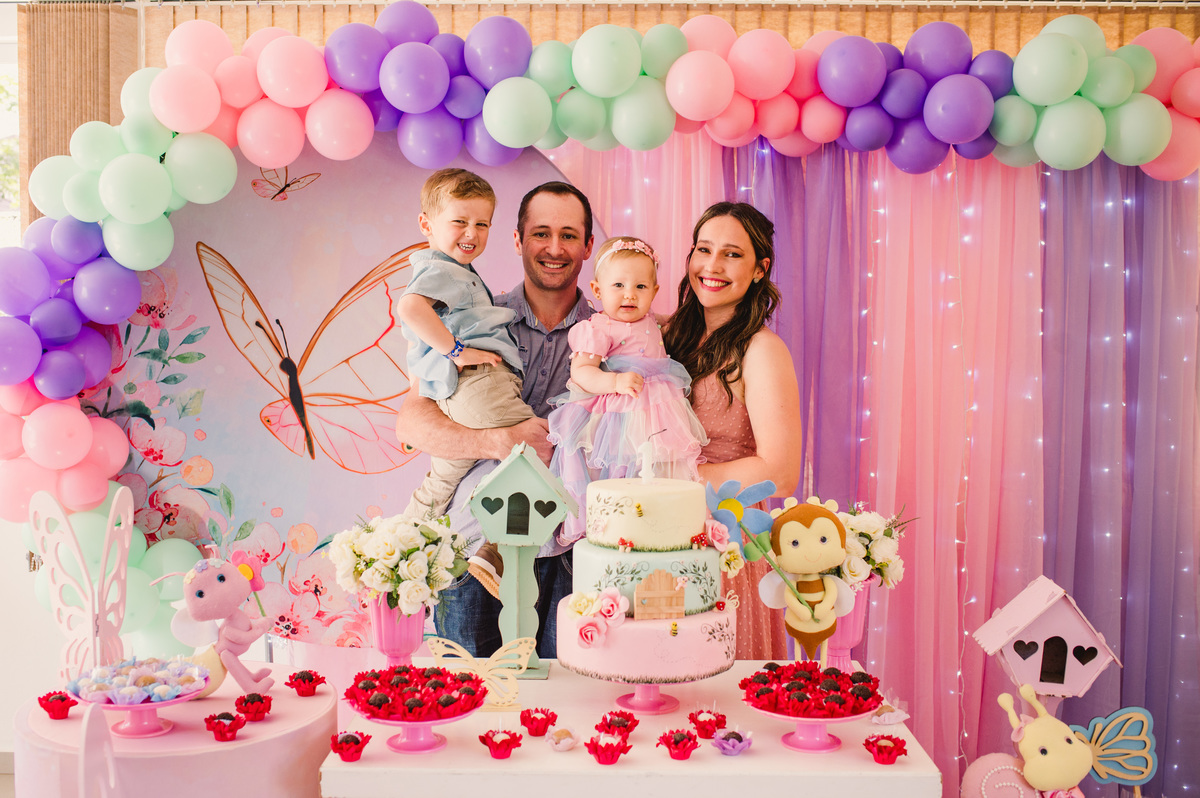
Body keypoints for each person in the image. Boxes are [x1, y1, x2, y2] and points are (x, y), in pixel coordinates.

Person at [394, 181, 595, 658]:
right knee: (471, 702)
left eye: (569, 235)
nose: (554, 247)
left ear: (588, 246)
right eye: (541, 232)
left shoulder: (609, 336)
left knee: (567, 706)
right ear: (518, 239)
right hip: (473, 542)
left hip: (573, 552)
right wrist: (498, 440)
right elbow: (411, 423)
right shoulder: (472, 319)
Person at [663, 201, 802, 660]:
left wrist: (671, 479)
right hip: (658, 532)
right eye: (704, 249)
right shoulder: (667, 338)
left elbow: (779, 471)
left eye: (732, 254)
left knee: (714, 695)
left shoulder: (760, 350)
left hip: (724, 539)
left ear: (760, 269)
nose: (712, 266)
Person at [547, 235, 707, 545]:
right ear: (597, 290)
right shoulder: (598, 327)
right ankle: (617, 524)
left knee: (656, 465)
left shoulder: (652, 321)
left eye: (640, 287)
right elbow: (581, 373)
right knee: (620, 465)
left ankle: (651, 523)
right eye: (618, 286)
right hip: (618, 411)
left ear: (654, 292)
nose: (629, 295)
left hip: (656, 407)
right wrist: (614, 382)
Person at [396, 168, 534, 522]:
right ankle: (494, 548)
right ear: (426, 225)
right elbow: (410, 307)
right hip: (480, 386)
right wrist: (455, 350)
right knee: (548, 445)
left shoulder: (456, 270)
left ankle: (398, 541)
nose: (472, 233)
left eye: (482, 224)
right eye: (460, 221)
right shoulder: (444, 270)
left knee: (440, 483)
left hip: (456, 397)